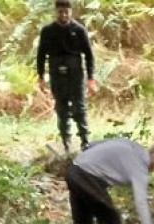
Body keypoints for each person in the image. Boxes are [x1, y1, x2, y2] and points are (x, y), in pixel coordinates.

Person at [36, 0, 98, 153]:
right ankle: (66, 141)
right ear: (55, 12)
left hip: (76, 72)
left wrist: (91, 78)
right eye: (60, 12)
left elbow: (89, 55)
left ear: (71, 12)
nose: (63, 15)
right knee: (61, 108)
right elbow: (41, 54)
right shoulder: (47, 31)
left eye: (66, 12)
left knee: (79, 107)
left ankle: (85, 141)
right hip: (56, 72)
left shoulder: (79, 30)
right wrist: (41, 76)